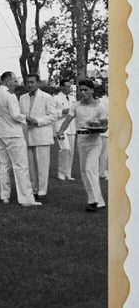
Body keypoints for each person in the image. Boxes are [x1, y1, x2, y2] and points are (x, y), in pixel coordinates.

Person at [0, 71, 41, 207]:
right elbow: (15, 115)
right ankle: (26, 198)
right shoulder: (10, 96)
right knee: (21, 166)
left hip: (0, 134)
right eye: (15, 81)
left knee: (4, 165)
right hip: (13, 134)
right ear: (7, 81)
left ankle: (4, 195)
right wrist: (27, 118)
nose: (17, 84)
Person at [57, 78, 108, 212]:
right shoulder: (76, 106)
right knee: (84, 171)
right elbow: (67, 120)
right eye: (81, 90)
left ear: (92, 90)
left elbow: (104, 127)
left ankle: (96, 202)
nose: (83, 92)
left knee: (90, 168)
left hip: (95, 141)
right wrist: (61, 131)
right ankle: (93, 200)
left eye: (86, 90)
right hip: (81, 141)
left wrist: (97, 127)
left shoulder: (100, 107)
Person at [19, 74, 57, 201]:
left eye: (32, 82)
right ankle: (33, 189)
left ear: (38, 83)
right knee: (30, 165)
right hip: (27, 134)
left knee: (42, 165)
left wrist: (37, 121)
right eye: (28, 82)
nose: (29, 85)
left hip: (42, 134)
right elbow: (20, 115)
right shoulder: (22, 98)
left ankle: (42, 190)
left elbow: (53, 116)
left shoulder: (47, 97)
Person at [54, 78, 76, 181]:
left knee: (70, 151)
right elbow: (52, 113)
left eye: (70, 86)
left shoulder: (73, 98)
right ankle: (61, 172)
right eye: (67, 86)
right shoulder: (56, 98)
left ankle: (68, 173)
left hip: (72, 127)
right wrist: (64, 111)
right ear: (61, 87)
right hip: (60, 127)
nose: (69, 88)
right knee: (65, 148)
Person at [98, 77, 109, 179]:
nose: (108, 88)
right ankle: (102, 172)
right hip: (106, 130)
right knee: (104, 152)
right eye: (106, 86)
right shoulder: (101, 100)